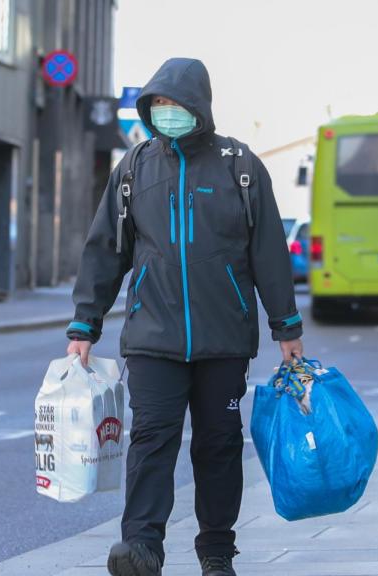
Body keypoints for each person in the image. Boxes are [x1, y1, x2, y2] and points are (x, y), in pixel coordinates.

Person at [65, 58, 303, 576]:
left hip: (224, 338)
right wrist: (85, 324)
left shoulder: (239, 166)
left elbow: (268, 252)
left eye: (176, 104)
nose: (167, 112)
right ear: (149, 109)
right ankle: (142, 547)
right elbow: (107, 249)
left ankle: (216, 552)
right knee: (151, 439)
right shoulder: (134, 169)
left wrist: (286, 327)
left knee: (219, 445)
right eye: (159, 105)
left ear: (199, 105)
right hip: (153, 336)